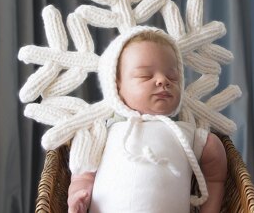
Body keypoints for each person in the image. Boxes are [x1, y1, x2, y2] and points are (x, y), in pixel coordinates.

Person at [67, 31, 227, 213]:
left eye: (172, 77)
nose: (162, 80)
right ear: (116, 85)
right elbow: (83, 176)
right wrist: (78, 197)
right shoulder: (103, 131)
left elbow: (215, 174)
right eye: (145, 75)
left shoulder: (184, 133)